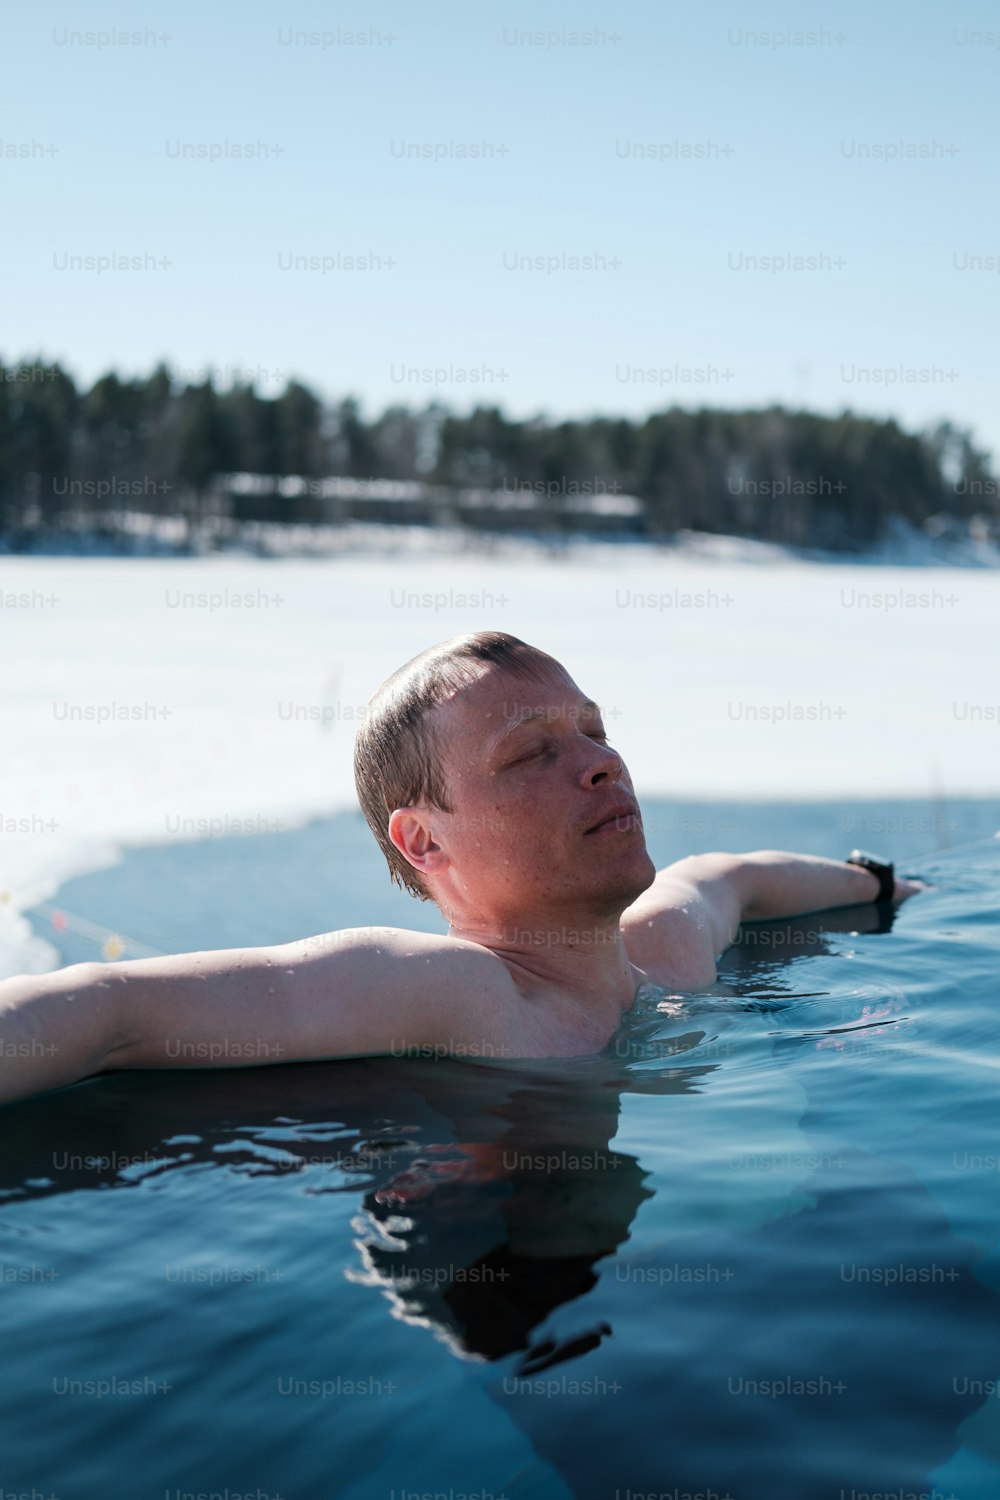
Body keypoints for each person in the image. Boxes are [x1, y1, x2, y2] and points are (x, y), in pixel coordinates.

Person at [0, 630, 926, 1105]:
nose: (604, 763)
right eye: (531, 754)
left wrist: (876, 885)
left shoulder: (667, 953)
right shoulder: (460, 993)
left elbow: (737, 878)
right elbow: (118, 1009)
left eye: (596, 732)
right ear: (424, 843)